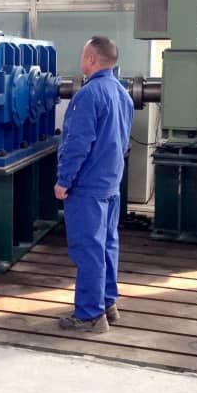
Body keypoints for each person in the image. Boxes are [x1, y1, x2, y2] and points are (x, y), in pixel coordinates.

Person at [54, 36, 134, 333]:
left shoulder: (88, 95)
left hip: (87, 187)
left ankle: (90, 315)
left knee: (88, 250)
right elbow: (122, 142)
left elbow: (77, 144)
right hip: (110, 184)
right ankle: (107, 304)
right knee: (107, 246)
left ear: (91, 59)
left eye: (82, 55)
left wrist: (64, 180)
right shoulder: (122, 94)